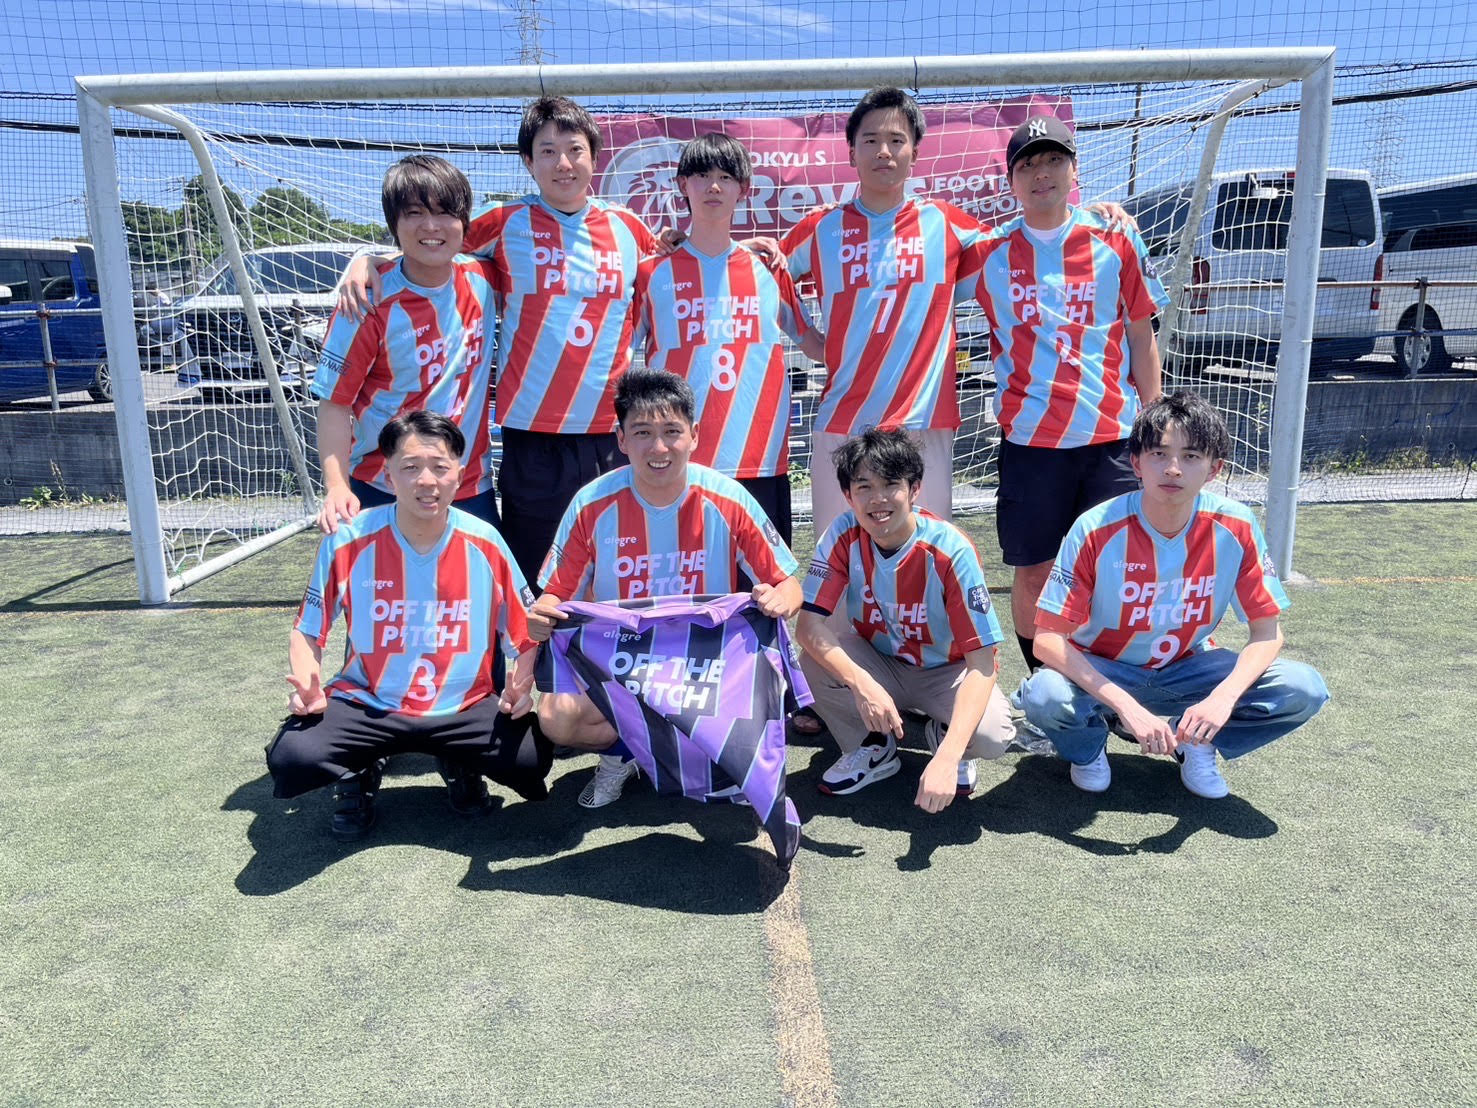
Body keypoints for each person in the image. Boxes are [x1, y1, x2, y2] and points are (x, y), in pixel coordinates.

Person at [337, 97, 661, 583]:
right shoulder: (505, 220)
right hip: (531, 436)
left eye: (574, 149)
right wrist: (367, 259)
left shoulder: (629, 228)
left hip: (608, 432)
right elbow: (432, 243)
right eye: (547, 151)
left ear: (595, 156)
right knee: (533, 577)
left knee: (612, 568)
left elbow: (679, 264)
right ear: (528, 161)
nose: (563, 163)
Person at [1019, 391, 1329, 798]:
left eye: (1191, 456)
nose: (1173, 469)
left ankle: (1196, 741)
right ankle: (1088, 748)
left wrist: (1222, 700)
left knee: (1303, 688)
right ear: (1136, 463)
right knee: (1045, 695)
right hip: (1105, 668)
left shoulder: (1236, 526)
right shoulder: (1095, 528)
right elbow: (1046, 640)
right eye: (1159, 454)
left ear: (1214, 468)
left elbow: (1267, 634)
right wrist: (1126, 706)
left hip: (1188, 667)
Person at [528, 368, 804, 808]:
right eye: (642, 432)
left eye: (672, 431)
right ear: (621, 439)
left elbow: (788, 585)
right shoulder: (591, 504)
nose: (658, 447)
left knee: (763, 677)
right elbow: (555, 596)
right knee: (556, 718)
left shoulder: (728, 498)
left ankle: (719, 757)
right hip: (623, 660)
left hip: (706, 662)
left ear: (694, 435)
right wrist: (542, 615)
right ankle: (624, 755)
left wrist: (780, 599)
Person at [266, 411, 549, 839]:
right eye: (411, 467)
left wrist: (521, 687)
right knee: (293, 756)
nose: (426, 480)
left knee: (530, 757)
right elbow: (308, 628)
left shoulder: (486, 542)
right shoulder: (349, 539)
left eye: (439, 467)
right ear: (388, 474)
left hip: (462, 705)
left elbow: (525, 632)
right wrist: (308, 682)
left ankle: (459, 762)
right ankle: (357, 771)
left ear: (459, 475)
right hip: (368, 703)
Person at [968, 114, 1169, 674]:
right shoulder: (986, 250)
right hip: (1030, 443)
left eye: (1054, 159)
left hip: (1112, 438)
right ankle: (1043, 690)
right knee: (1034, 571)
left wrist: (1154, 424)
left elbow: (1140, 333)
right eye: (1028, 164)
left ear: (1074, 170)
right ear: (1010, 180)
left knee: (1116, 570)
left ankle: (1111, 682)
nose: (1042, 173)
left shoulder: (1117, 237)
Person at [782, 87, 988, 537]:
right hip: (844, 422)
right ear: (851, 151)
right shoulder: (822, 227)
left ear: (915, 153)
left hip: (923, 421)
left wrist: (1093, 218)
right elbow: (762, 276)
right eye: (871, 140)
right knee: (837, 557)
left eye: (897, 140)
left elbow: (1023, 247)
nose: (884, 151)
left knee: (926, 557)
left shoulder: (946, 222)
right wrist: (808, 338)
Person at [795, 428, 1016, 810]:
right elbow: (807, 627)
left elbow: (982, 664)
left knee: (993, 735)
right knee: (810, 665)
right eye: (864, 487)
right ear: (848, 495)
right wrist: (862, 683)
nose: (878, 499)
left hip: (946, 671)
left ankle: (945, 737)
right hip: (880, 661)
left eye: (890, 485)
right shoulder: (842, 535)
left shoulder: (951, 551)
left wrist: (948, 758)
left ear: (914, 489)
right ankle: (872, 746)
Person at [631, 131, 826, 546]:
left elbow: (813, 344)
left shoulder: (769, 269)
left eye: (725, 176)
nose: (714, 186)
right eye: (702, 175)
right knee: (686, 581)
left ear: (744, 188)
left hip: (760, 458)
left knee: (764, 583)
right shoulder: (652, 273)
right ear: (683, 185)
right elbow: (616, 354)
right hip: (680, 461)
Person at [313, 155, 499, 533]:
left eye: (444, 212)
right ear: (394, 224)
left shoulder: (484, 278)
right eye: (414, 213)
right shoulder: (366, 304)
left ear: (463, 220)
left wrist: (370, 258)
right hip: (385, 487)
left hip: (467, 486)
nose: (431, 225)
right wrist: (336, 486)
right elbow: (334, 403)